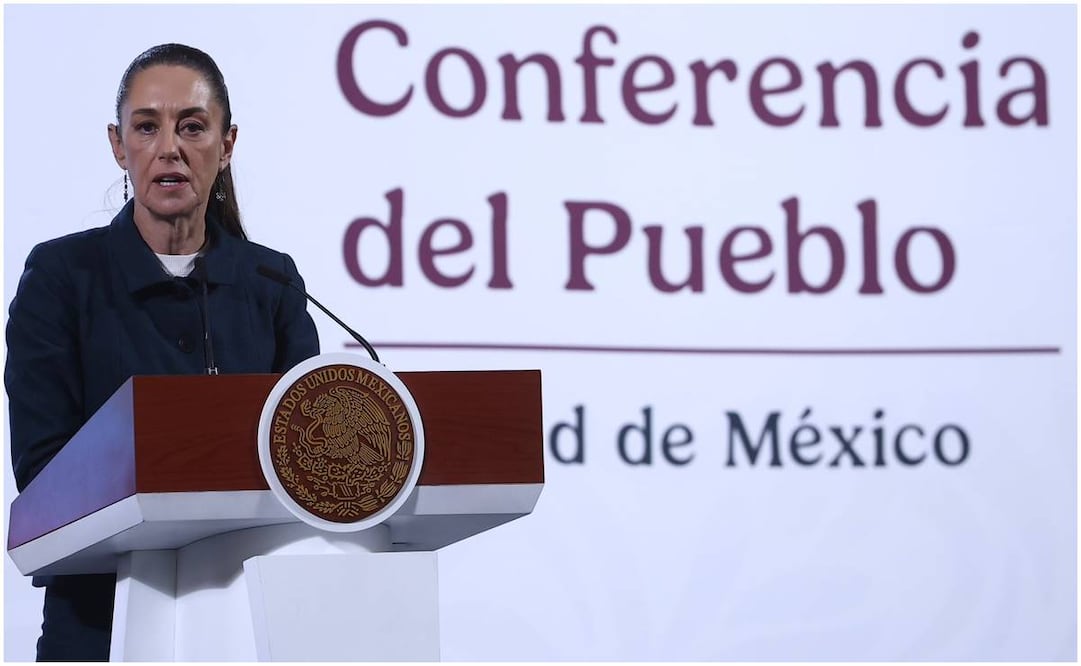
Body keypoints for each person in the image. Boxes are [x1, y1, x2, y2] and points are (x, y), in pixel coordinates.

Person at [5, 43, 320, 661]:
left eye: (193, 126)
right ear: (119, 146)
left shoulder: (271, 283)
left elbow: (304, 462)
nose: (168, 146)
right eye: (146, 127)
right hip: (100, 625)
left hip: (246, 629)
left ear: (227, 145)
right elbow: (43, 472)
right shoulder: (62, 276)